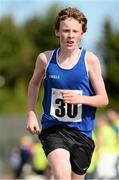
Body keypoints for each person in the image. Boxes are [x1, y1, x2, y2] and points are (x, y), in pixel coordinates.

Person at [26, 7, 108, 180]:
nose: (70, 35)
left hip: (82, 133)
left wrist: (81, 99)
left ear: (82, 34)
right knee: (62, 176)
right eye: (65, 30)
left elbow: (103, 99)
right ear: (57, 32)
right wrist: (31, 114)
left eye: (75, 31)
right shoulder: (45, 59)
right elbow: (34, 84)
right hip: (53, 128)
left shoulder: (90, 61)